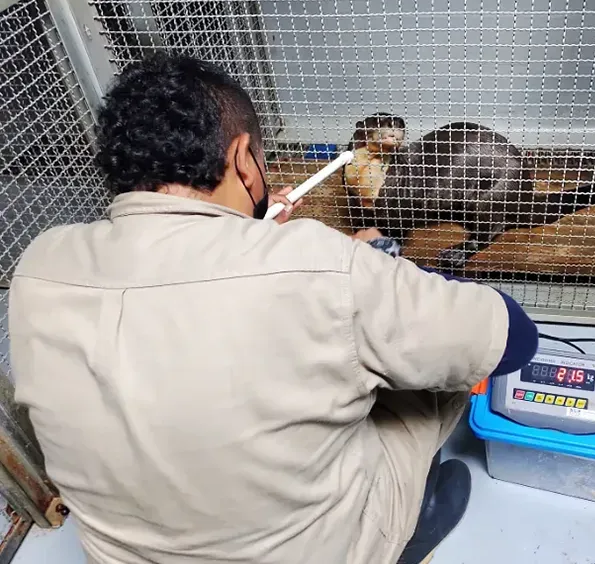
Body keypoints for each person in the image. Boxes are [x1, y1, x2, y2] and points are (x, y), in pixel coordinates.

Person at [9, 52, 538, 564]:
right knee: (432, 367)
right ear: (243, 160)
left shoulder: (39, 264)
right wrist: (377, 269)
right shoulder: (316, 260)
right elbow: (515, 340)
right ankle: (406, 526)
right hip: (316, 551)